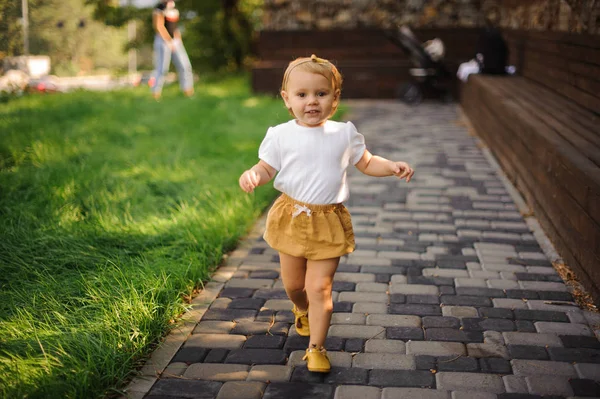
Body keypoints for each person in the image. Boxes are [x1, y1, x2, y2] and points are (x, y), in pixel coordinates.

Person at [238, 54, 415, 373]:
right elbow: (266, 167)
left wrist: (390, 167)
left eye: (321, 93)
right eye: (302, 94)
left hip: (327, 221)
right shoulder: (280, 135)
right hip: (290, 217)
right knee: (294, 285)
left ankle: (316, 348)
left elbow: (366, 161)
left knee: (320, 288)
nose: (311, 102)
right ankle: (300, 308)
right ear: (287, 99)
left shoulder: (343, 134)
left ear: (335, 99)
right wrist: (253, 174)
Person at [150, 0, 194, 100]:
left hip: (175, 41)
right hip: (163, 41)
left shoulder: (174, 7)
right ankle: (155, 93)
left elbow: (175, 27)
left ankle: (188, 91)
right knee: (162, 69)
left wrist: (177, 40)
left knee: (185, 65)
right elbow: (158, 26)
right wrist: (169, 40)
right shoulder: (159, 8)